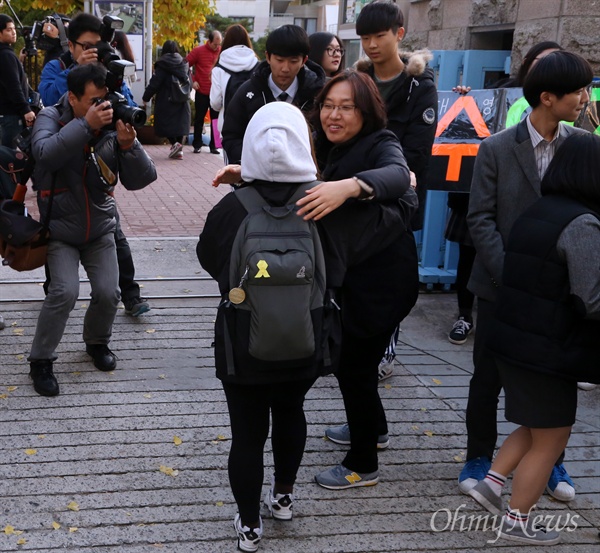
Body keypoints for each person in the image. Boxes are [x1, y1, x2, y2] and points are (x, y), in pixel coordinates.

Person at [201, 79, 415, 549]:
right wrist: (374, 191)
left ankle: (248, 523)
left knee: (246, 432)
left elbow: (207, 257)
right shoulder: (326, 207)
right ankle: (283, 497)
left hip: (242, 343)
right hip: (306, 338)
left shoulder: (230, 210)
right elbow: (399, 212)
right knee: (291, 413)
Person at [458, 50, 593, 502]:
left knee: (552, 378)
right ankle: (479, 457)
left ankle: (549, 462)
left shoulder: (583, 141)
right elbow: (480, 220)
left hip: (558, 295)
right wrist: (514, 276)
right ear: (547, 97)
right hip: (498, 287)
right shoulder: (496, 147)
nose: (585, 98)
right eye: (578, 90)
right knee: (487, 377)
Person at [467, 132, 600, 546]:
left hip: (513, 339)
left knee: (535, 425)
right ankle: (517, 520)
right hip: (548, 347)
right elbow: (591, 298)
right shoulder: (583, 223)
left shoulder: (540, 210)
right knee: (554, 435)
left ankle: (490, 484)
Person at [296, 71, 419, 490]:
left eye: (345, 107)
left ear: (365, 111)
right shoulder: (333, 145)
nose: (333, 114)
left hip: (381, 283)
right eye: (328, 105)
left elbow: (400, 178)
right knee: (358, 366)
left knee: (354, 368)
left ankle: (362, 462)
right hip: (358, 278)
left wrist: (349, 187)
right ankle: (375, 428)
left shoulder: (381, 142)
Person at [27, 63, 157, 397]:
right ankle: (41, 361)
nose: (104, 107)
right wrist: (85, 126)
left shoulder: (110, 124)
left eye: (105, 100)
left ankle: (97, 343)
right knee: (64, 292)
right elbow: (43, 154)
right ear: (73, 97)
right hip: (60, 229)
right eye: (94, 101)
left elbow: (143, 180)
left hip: (100, 227)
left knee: (109, 292)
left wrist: (129, 146)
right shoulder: (51, 118)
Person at [446, 41, 564, 346]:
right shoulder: (502, 90)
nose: (546, 69)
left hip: (524, 200)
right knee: (471, 252)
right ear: (527, 63)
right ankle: (463, 314)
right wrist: (464, 99)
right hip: (485, 189)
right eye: (540, 61)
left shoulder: (568, 117)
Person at [38, 12, 152, 318]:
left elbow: (123, 101)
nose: (93, 50)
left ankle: (129, 294)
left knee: (112, 234)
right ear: (71, 45)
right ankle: (56, 294)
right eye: (86, 46)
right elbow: (49, 98)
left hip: (100, 170)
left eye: (97, 45)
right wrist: (78, 72)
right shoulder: (57, 67)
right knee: (59, 233)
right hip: (64, 170)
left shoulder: (107, 69)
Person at [354, 0, 438, 381]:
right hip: (351, 197)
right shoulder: (357, 81)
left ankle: (383, 353)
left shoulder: (420, 86)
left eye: (379, 36)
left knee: (389, 279)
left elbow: (418, 153)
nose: (372, 44)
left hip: (396, 200)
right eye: (365, 37)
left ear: (399, 34)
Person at [221, 24, 326, 165]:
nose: (285, 68)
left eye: (293, 61)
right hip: (257, 175)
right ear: (268, 57)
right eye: (279, 60)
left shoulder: (317, 94)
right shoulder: (247, 92)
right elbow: (231, 135)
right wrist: (253, 164)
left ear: (304, 61)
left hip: (304, 175)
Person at [142, 40, 191, 159]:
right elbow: (189, 81)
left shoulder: (163, 64)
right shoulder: (184, 63)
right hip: (182, 99)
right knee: (180, 124)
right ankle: (178, 148)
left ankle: (175, 145)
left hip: (166, 99)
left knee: (165, 123)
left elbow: (155, 83)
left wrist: (146, 97)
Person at [209, 24, 258, 143]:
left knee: (232, 161)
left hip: (228, 127)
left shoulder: (219, 69)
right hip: (255, 126)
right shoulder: (258, 66)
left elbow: (215, 103)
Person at [0, 15, 36, 148]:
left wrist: (19, 61)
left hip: (8, 115)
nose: (14, 32)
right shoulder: (6, 55)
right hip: (12, 116)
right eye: (9, 30)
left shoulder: (6, 54)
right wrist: (26, 109)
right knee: (13, 159)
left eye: (14, 29)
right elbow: (13, 85)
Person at [187, 30, 222, 154]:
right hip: (202, 90)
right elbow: (185, 65)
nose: (217, 47)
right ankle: (197, 145)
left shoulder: (221, 52)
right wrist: (193, 81)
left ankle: (214, 146)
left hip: (216, 92)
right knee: (199, 118)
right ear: (209, 41)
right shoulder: (198, 51)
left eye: (219, 45)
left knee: (215, 120)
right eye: (215, 45)